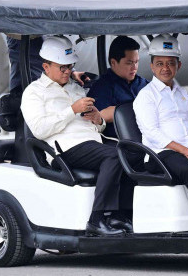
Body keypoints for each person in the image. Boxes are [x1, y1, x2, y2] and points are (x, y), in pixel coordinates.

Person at [21, 36, 131, 236]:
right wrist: (71, 110)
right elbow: (39, 129)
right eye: (62, 68)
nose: (67, 72)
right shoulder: (34, 93)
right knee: (114, 156)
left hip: (91, 142)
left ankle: (120, 215)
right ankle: (97, 219)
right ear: (46, 67)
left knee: (131, 153)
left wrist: (98, 120)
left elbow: (95, 126)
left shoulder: (75, 87)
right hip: (65, 148)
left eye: (69, 67)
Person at [133, 34, 188, 216]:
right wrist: (187, 152)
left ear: (179, 65)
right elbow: (152, 133)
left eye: (170, 63)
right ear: (152, 67)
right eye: (160, 64)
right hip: (160, 154)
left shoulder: (182, 93)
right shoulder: (146, 96)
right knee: (187, 170)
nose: (165, 68)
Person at [6, 0, 86, 92]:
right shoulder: (15, 7)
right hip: (27, 84)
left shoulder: (42, 5)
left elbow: (54, 45)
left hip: (48, 83)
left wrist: (71, 72)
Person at [87, 36, 148, 142]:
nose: (134, 67)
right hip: (123, 145)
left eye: (136, 62)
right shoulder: (101, 89)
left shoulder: (144, 84)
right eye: (129, 63)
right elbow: (98, 118)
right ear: (113, 63)